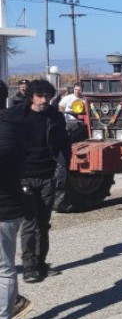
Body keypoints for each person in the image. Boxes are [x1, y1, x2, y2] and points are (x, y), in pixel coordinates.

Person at [8, 80, 69, 284]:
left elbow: (63, 146)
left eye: (47, 97)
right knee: (29, 223)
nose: (44, 101)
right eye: (40, 96)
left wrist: (62, 170)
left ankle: (41, 263)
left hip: (47, 176)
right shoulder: (16, 116)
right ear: (32, 96)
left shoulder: (55, 118)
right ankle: (29, 267)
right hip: (24, 176)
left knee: (43, 224)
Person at [0, 87, 33, 319]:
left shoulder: (9, 131)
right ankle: (14, 301)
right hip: (12, 205)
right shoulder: (16, 128)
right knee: (4, 266)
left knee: (4, 268)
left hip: (5, 208)